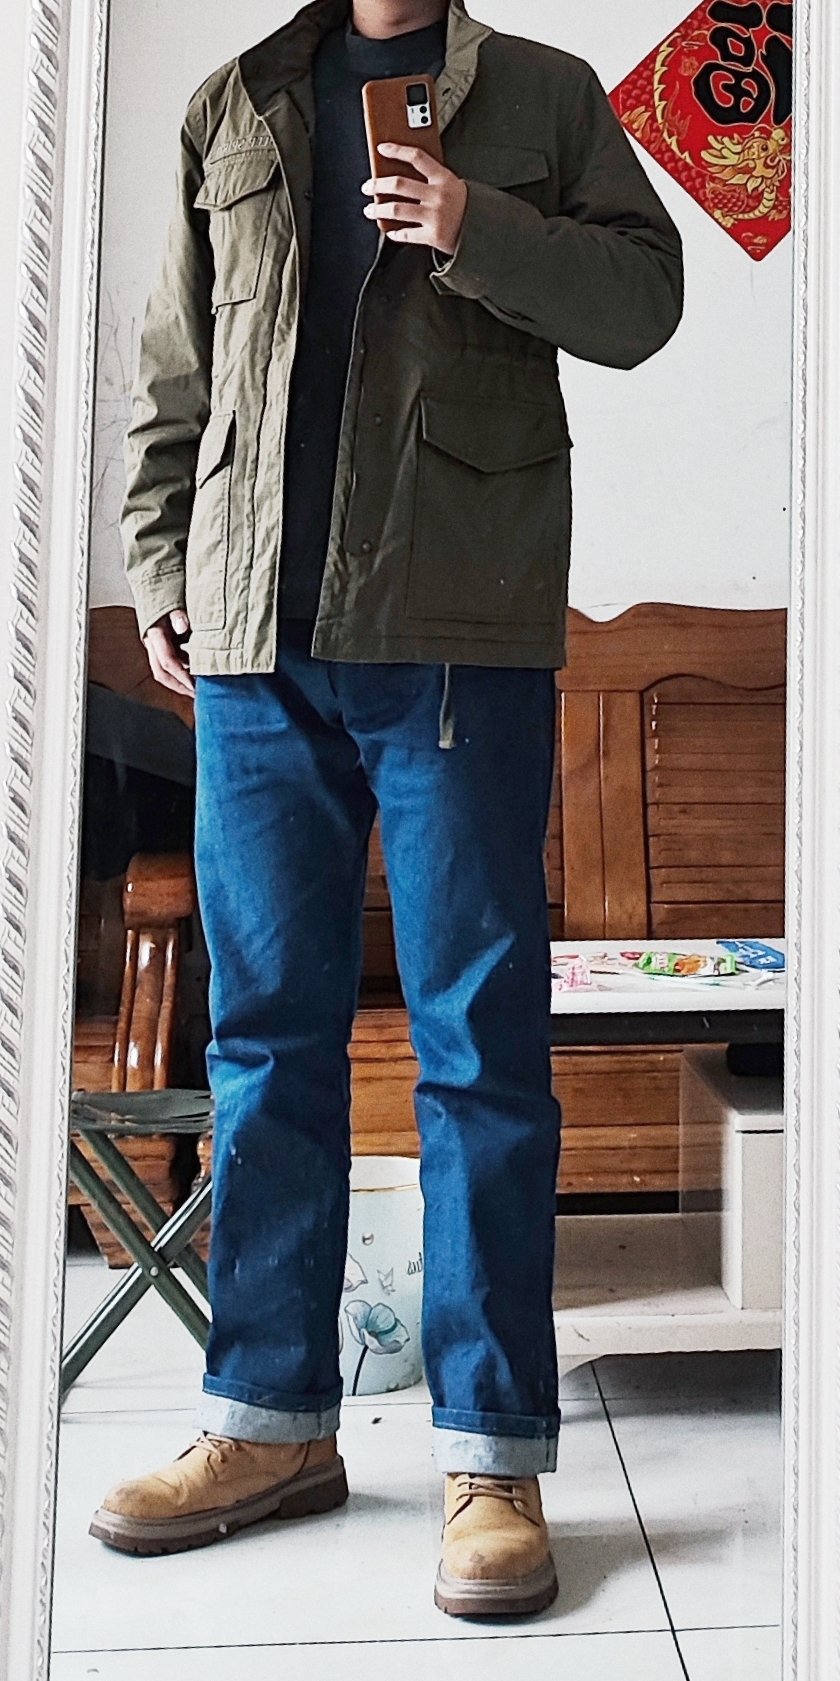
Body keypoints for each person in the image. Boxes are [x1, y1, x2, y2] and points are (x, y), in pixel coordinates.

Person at [94, 0, 683, 1618]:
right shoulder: (234, 102)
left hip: (454, 632)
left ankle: (492, 1451)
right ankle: (267, 1422)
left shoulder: (544, 96)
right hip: (251, 645)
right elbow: (177, 360)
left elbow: (643, 302)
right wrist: (162, 559)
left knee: (478, 1043)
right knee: (263, 1039)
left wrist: (477, 223)